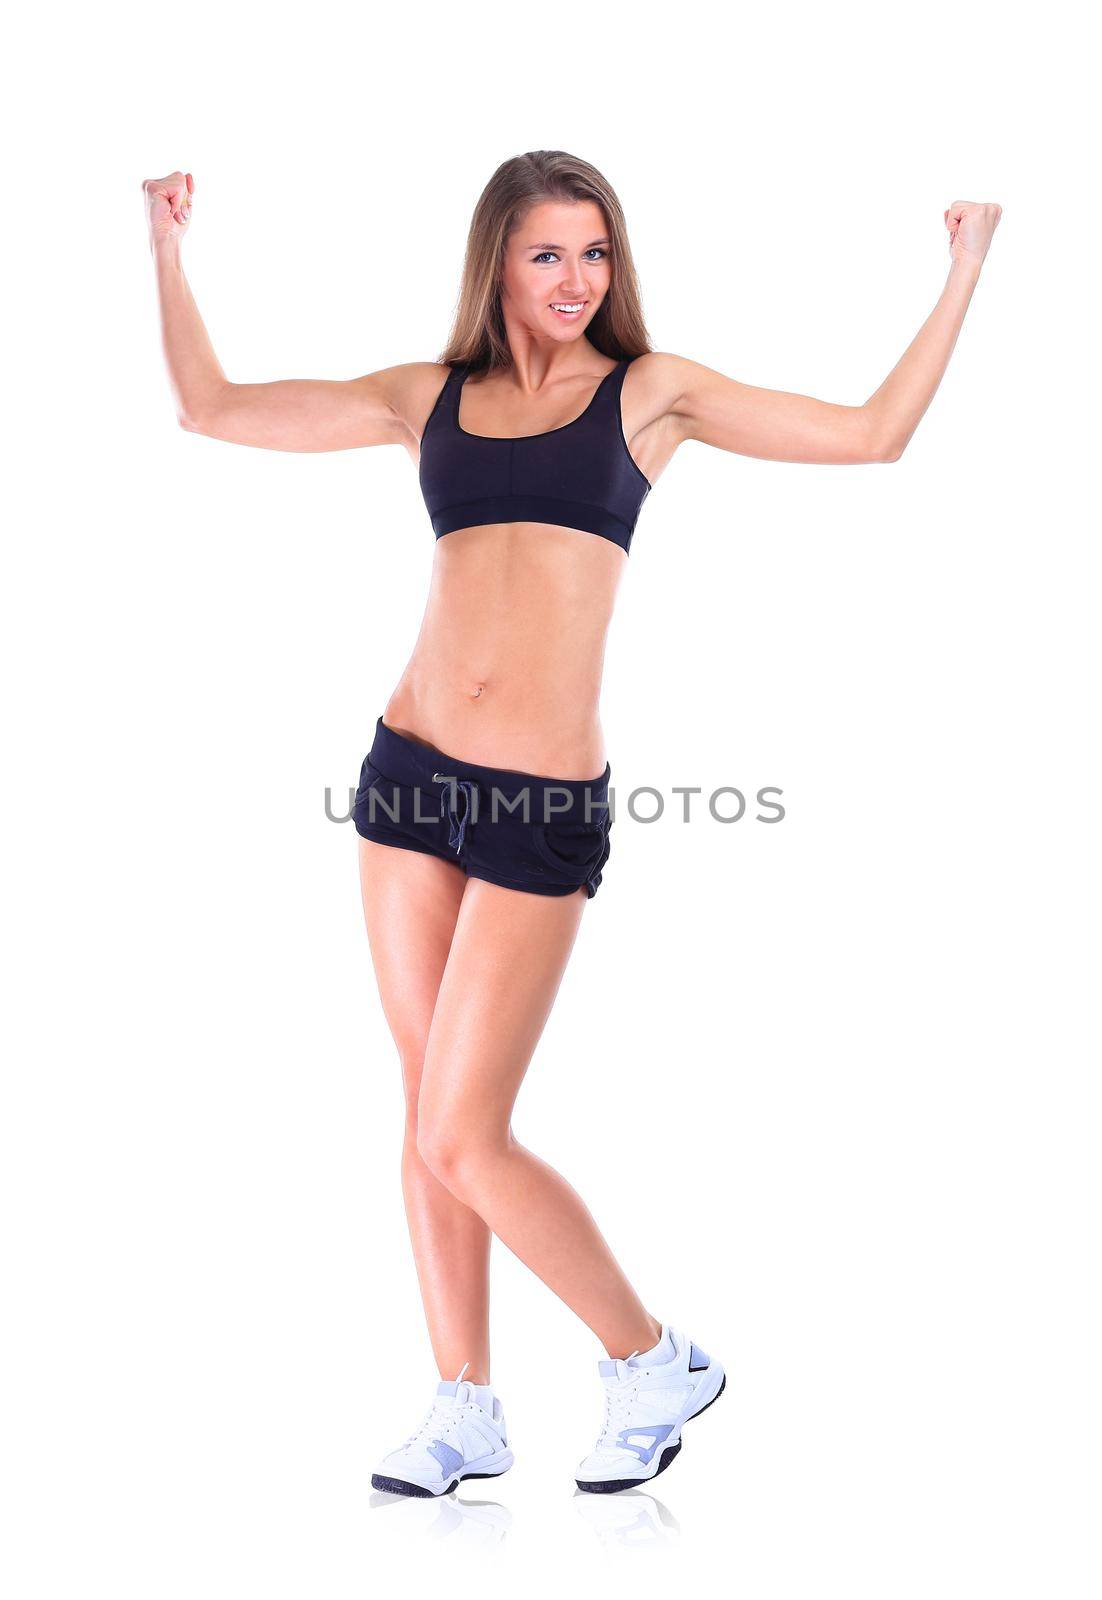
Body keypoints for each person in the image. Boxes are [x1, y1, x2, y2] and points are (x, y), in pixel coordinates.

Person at [143, 151, 1001, 1498]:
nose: (574, 280)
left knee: (462, 1130)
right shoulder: (425, 397)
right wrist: (164, 243)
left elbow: (868, 433)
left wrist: (964, 263)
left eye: (594, 253)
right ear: (497, 262)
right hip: (405, 777)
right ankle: (463, 1405)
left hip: (540, 806)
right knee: (425, 1115)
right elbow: (208, 407)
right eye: (548, 254)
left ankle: (649, 1358)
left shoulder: (648, 395)